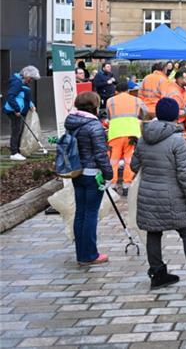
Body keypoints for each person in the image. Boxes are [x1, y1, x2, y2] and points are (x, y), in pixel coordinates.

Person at [130, 97, 186, 291]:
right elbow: (185, 174)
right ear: (176, 116)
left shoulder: (144, 137)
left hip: (148, 195)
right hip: (172, 195)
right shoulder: (177, 140)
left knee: (153, 232)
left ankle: (157, 274)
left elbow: (134, 165)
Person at [65, 91, 113, 266]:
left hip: (76, 172)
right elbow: (101, 154)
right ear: (94, 106)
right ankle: (90, 254)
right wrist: (109, 175)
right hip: (92, 174)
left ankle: (81, 254)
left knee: (80, 213)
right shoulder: (94, 125)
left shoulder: (71, 122)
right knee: (91, 213)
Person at [106, 79, 148, 195]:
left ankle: (112, 186)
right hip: (132, 133)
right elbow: (146, 112)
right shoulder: (136, 100)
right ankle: (126, 186)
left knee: (113, 161)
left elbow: (109, 116)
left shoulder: (110, 101)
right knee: (129, 160)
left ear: (116, 91)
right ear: (128, 90)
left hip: (115, 134)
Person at [3, 65, 39, 161]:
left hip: (20, 111)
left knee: (20, 131)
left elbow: (26, 96)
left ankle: (18, 151)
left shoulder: (24, 83)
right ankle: (14, 153)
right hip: (13, 111)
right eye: (30, 78)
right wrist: (16, 109)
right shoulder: (16, 83)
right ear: (26, 75)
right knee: (16, 131)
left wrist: (31, 104)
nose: (31, 80)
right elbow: (10, 96)